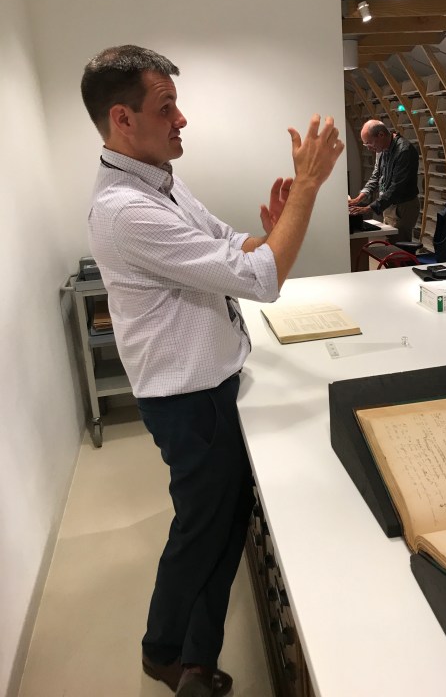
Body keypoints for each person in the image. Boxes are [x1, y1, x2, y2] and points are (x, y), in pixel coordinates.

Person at [81, 45, 343, 697]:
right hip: (186, 399)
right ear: (123, 119)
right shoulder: (124, 208)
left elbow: (230, 248)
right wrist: (307, 190)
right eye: (166, 107)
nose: (183, 121)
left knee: (228, 523)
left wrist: (274, 227)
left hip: (210, 387)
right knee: (201, 529)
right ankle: (163, 650)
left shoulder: (158, 178)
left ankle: (197, 657)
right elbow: (259, 278)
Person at [348, 119, 420, 241]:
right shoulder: (381, 149)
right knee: (391, 243)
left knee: (400, 247)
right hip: (389, 204)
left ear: (381, 135)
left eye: (369, 143)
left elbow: (396, 188)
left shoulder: (404, 151)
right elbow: (376, 176)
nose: (368, 148)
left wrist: (370, 208)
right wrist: (360, 197)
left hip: (402, 206)